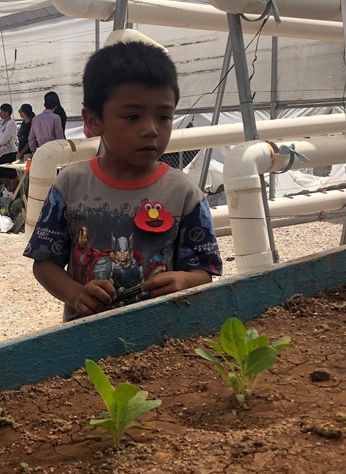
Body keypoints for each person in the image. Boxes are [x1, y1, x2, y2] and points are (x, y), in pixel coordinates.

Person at [24, 38, 222, 320]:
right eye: (132, 116)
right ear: (93, 121)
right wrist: (76, 294)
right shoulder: (69, 186)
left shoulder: (185, 194)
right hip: (85, 339)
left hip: (161, 337)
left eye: (164, 116)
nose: (151, 130)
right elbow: (44, 264)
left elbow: (204, 270)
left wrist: (183, 282)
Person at [0, 103, 18, 190]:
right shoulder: (0, 123)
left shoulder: (11, 123)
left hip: (9, 152)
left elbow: (6, 137)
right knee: (2, 173)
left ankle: (12, 191)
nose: (0, 113)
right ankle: (5, 190)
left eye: (1, 111)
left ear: (7, 113)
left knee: (11, 173)